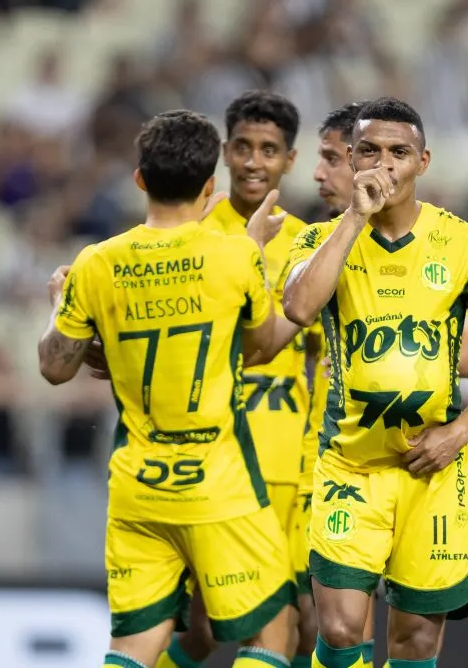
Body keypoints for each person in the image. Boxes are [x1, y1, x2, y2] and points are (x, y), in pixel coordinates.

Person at [37, 110, 297, 668]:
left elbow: (56, 367)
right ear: (211, 186)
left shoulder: (96, 263)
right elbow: (265, 344)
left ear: (139, 179)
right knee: (272, 634)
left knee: (133, 648)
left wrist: (60, 304)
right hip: (217, 482)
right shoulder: (234, 256)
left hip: (138, 485)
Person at [282, 98, 468, 668]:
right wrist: (353, 219)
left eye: (399, 152)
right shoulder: (321, 240)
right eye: (369, 151)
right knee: (340, 631)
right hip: (350, 466)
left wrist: (459, 433)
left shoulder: (467, 244)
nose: (384, 164)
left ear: (423, 161)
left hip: (433, 473)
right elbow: (297, 307)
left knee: (414, 641)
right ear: (352, 157)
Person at [157, 90, 310, 668]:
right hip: (211, 453)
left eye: (268, 150)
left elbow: (327, 351)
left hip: (283, 459)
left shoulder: (309, 243)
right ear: (224, 152)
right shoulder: (192, 233)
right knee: (204, 629)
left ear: (289, 160)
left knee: (289, 620)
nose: (253, 162)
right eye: (243, 147)